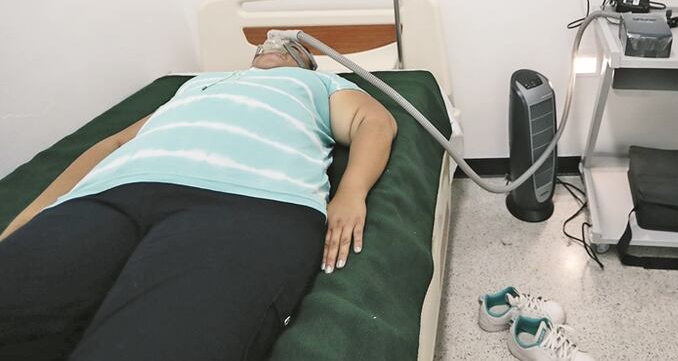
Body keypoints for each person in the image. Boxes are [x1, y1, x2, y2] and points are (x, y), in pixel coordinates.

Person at [0, 35, 397, 361]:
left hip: (249, 204)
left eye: (291, 44)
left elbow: (373, 121)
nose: (275, 41)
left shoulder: (317, 85)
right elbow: (117, 141)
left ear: (308, 61)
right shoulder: (194, 85)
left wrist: (351, 193)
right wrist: (34, 213)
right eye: (266, 40)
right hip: (110, 194)